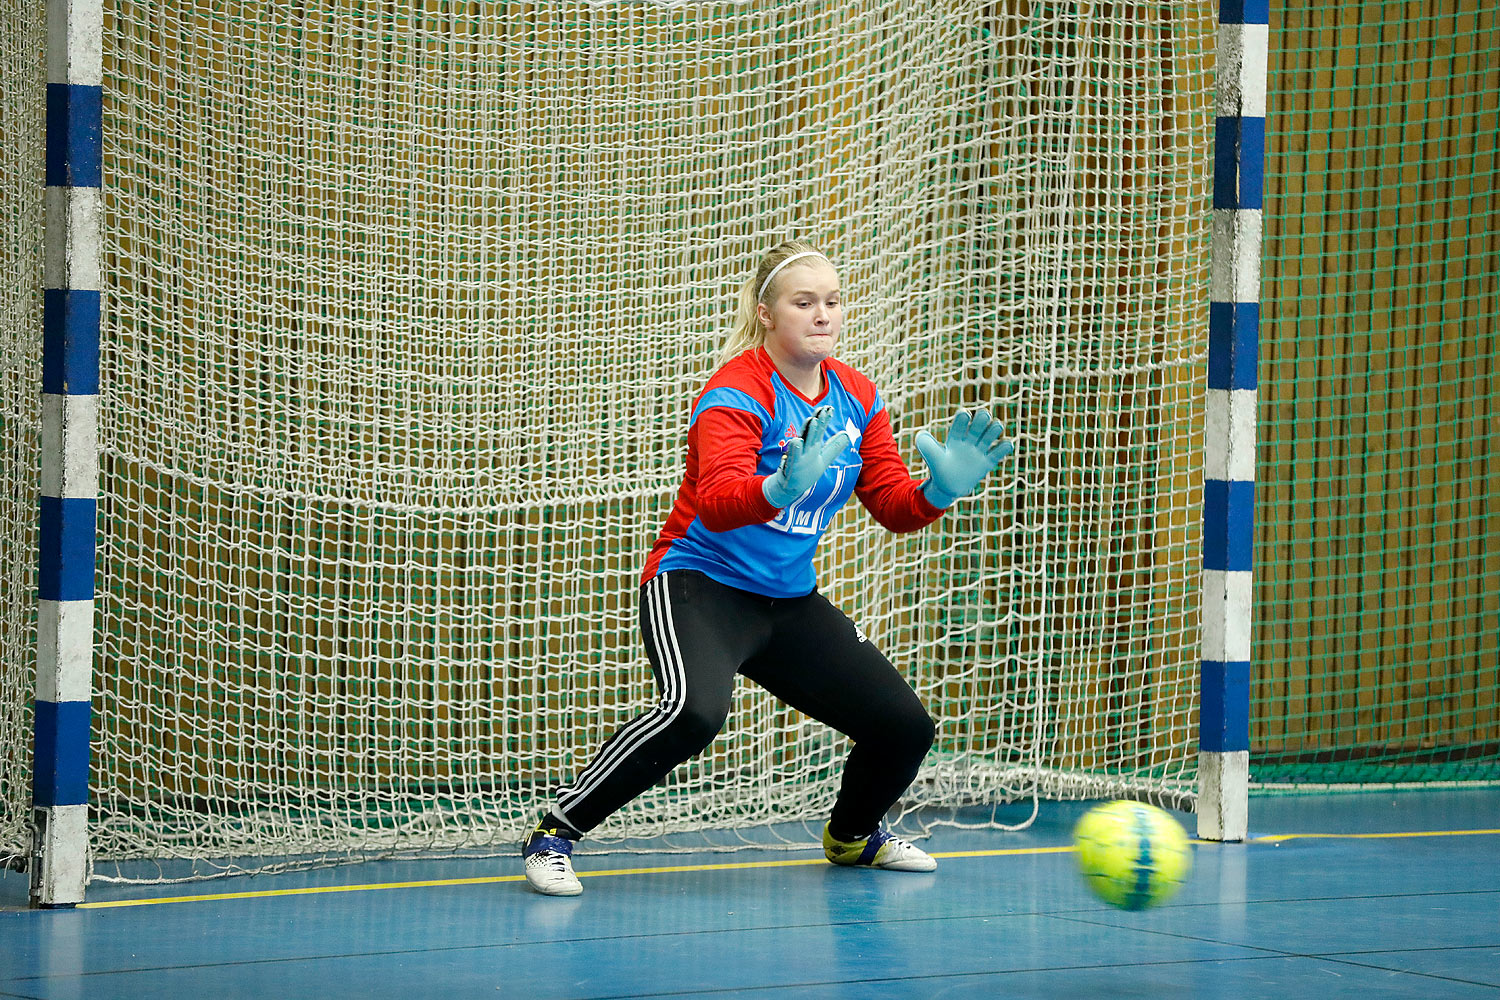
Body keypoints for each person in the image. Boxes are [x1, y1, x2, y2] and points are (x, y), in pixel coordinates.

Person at [522, 240, 1013, 896]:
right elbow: (720, 504)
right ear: (766, 314)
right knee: (693, 713)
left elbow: (893, 507)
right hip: (700, 583)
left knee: (904, 726)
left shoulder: (857, 397)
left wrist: (939, 492)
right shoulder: (735, 392)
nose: (822, 316)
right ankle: (555, 830)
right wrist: (778, 488)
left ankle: (853, 836)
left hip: (786, 601)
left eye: (832, 302)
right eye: (803, 302)